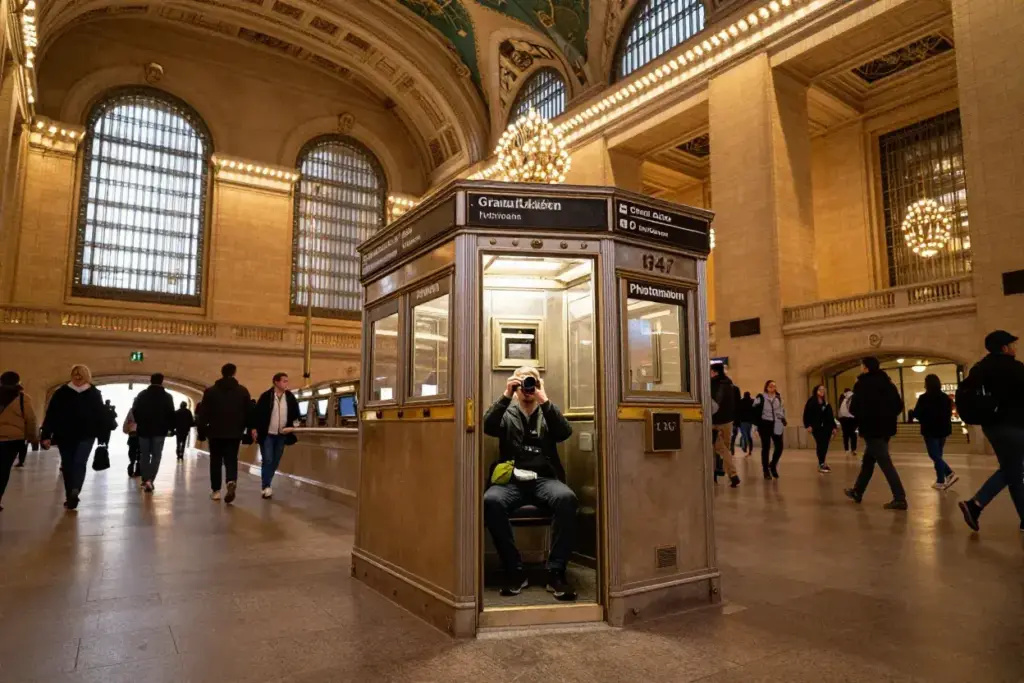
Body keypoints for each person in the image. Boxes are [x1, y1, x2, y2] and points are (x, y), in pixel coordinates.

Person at [483, 366, 577, 601]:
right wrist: (506, 394)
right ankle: (514, 570)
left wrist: (543, 398)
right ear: (515, 386)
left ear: (539, 384)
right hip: (511, 480)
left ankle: (556, 571)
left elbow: (564, 432)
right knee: (491, 501)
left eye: (532, 381)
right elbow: (488, 426)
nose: (527, 387)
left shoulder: (547, 410)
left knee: (567, 498)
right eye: (523, 382)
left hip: (544, 480)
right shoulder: (507, 411)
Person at [957, 330, 1024, 533]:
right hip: (1014, 425)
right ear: (1004, 348)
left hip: (991, 427)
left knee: (1012, 469)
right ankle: (975, 504)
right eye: (1012, 345)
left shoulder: (980, 368)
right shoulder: (1016, 368)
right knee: (1012, 469)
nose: (1015, 348)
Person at [40, 364, 106, 511]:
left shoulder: (62, 392)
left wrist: (46, 435)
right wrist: (102, 436)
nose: (77, 377)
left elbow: (51, 415)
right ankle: (74, 490)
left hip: (66, 434)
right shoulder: (93, 393)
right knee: (78, 463)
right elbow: (100, 416)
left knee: (69, 464)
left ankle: (71, 492)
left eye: (79, 374)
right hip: (84, 434)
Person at [844, 357, 907, 510]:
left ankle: (900, 498)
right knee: (868, 461)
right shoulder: (888, 383)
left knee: (885, 463)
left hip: (872, 429)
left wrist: (863, 416)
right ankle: (858, 491)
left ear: (866, 368)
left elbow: (854, 408)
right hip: (886, 429)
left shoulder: (862, 384)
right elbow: (899, 405)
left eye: (862, 366)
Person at [196, 363, 252, 504]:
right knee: (231, 459)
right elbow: (249, 413)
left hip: (215, 433)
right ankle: (231, 480)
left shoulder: (211, 392)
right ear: (234, 373)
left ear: (221, 373)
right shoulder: (242, 391)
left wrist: (202, 432)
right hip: (234, 433)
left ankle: (216, 491)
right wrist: (248, 430)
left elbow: (202, 414)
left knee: (215, 461)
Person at [253, 372, 301, 499]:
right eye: (284, 381)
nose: (286, 383)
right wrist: (255, 429)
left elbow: (296, 414)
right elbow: (257, 414)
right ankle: (266, 486)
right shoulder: (266, 396)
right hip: (267, 434)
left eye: (287, 381)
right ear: (276, 382)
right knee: (267, 459)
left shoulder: (290, 397)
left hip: (282, 434)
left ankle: (267, 483)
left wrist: (294, 427)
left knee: (275, 460)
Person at [909, 373, 957, 490]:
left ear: (927, 384)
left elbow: (918, 414)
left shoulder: (924, 398)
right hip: (943, 430)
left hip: (930, 430)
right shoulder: (945, 398)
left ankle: (948, 473)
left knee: (934, 455)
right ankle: (940, 480)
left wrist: (911, 413)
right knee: (938, 455)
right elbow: (948, 414)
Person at [131, 373, 176, 493]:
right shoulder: (167, 397)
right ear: (162, 381)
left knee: (144, 455)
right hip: (160, 431)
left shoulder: (142, 395)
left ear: (150, 381)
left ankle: (145, 479)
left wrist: (140, 422)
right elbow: (171, 414)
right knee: (156, 456)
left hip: (144, 430)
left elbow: (135, 410)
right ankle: (150, 480)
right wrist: (170, 428)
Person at [0, 371, 38, 511]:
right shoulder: (22, 398)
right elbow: (31, 419)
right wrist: (33, 438)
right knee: (3, 469)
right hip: (13, 439)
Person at [710, 363, 740, 487]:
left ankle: (732, 475)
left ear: (714, 372)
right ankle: (724, 473)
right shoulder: (732, 385)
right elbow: (737, 405)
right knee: (725, 449)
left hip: (713, 422)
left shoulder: (710, 385)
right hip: (728, 422)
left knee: (717, 449)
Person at [752, 380, 786, 479]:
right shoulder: (760, 397)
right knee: (766, 448)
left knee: (779, 447)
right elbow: (754, 411)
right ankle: (766, 470)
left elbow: (781, 410)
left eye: (774, 386)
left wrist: (782, 419)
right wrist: (755, 427)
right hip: (765, 424)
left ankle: (773, 465)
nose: (772, 387)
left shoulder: (778, 398)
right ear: (766, 387)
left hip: (777, 424)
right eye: (770, 386)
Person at [802, 384, 836, 473]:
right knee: (820, 444)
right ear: (816, 390)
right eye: (820, 389)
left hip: (827, 427)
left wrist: (834, 426)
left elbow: (830, 416)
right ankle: (821, 463)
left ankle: (822, 462)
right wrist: (808, 425)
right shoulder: (812, 401)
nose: (822, 391)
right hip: (816, 427)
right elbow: (806, 414)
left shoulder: (826, 402)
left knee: (825, 445)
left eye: (823, 389)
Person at [837, 387, 858, 456]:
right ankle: (853, 449)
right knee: (853, 434)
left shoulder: (842, 397)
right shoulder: (853, 397)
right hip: (851, 418)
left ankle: (846, 449)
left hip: (843, 418)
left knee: (845, 434)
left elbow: (839, 407)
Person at [736, 391, 755, 456]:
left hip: (743, 421)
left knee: (744, 435)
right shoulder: (752, 401)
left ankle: (744, 447)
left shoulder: (741, 402)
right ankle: (750, 449)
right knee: (748, 435)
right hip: (749, 421)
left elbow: (738, 412)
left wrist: (737, 421)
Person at [123, 409, 140, 477]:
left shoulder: (131, 411)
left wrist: (127, 429)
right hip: (141, 434)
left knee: (132, 452)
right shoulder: (145, 409)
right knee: (140, 453)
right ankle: (138, 469)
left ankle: (131, 467)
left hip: (132, 434)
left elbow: (126, 425)